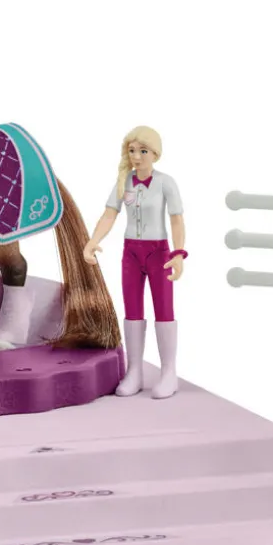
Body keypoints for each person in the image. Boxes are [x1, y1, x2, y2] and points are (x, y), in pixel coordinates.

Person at [83, 126, 187, 399]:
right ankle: (135, 371)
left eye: (143, 151)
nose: (136, 157)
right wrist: (93, 240)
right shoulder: (124, 182)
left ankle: (168, 372)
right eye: (132, 151)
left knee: (164, 308)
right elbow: (110, 214)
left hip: (158, 253)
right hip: (131, 252)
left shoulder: (166, 183)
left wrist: (178, 253)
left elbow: (176, 220)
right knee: (132, 309)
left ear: (155, 154)